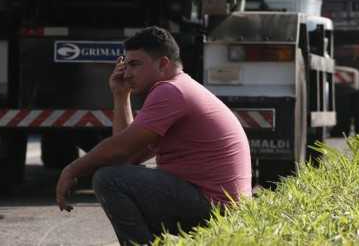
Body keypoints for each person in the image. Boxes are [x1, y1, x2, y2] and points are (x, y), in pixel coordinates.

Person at [55, 26, 252, 245]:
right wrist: (121, 97)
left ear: (163, 64)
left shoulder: (170, 91)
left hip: (216, 207)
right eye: (125, 64)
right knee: (115, 175)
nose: (127, 73)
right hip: (217, 204)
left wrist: (72, 169)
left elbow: (120, 149)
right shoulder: (178, 88)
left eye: (135, 64)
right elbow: (127, 158)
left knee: (108, 180)